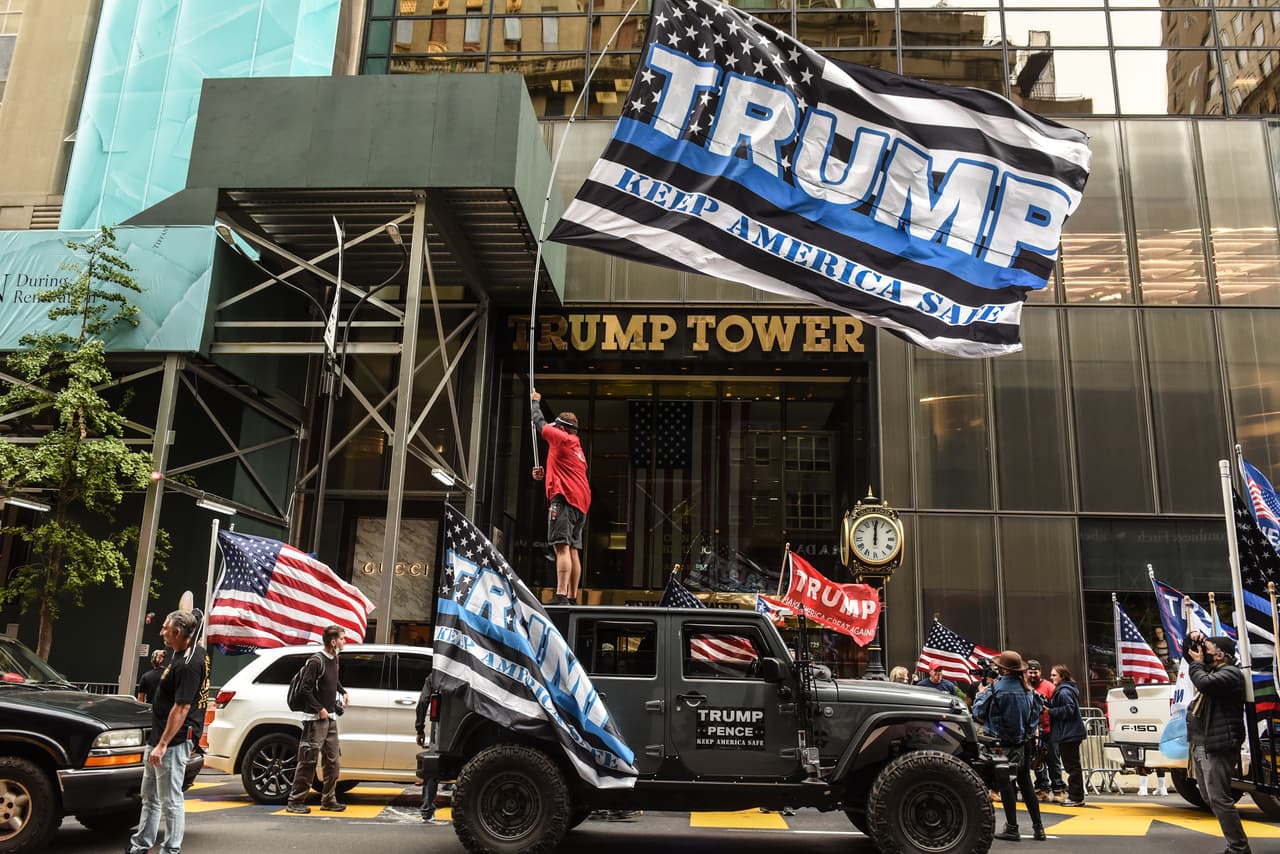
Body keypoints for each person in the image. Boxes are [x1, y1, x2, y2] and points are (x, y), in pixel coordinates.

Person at [126, 610, 208, 854]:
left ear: (179, 633)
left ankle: (171, 849)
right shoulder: (186, 651)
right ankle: (141, 844)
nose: (161, 632)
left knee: (170, 800)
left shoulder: (188, 665)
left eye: (165, 629)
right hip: (160, 737)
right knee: (149, 797)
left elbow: (181, 708)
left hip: (173, 741)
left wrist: (162, 745)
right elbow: (195, 618)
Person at [1186, 632, 1251, 854]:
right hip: (1202, 743)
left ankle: (1238, 848)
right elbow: (1192, 658)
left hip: (1218, 744)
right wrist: (1191, 638)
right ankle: (1236, 845)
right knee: (1209, 797)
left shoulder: (1230, 674)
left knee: (1219, 798)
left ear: (1221, 655)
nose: (1204, 654)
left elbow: (1204, 683)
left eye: (1209, 650)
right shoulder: (1213, 669)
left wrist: (1196, 665)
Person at [973, 650, 1045, 843]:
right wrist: (1026, 736)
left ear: (1002, 669)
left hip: (1001, 745)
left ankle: (1012, 827)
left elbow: (978, 713)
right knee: (1026, 784)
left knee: (1006, 786)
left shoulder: (995, 689)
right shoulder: (1029, 690)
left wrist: (981, 693)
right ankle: (1038, 827)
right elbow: (1035, 718)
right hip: (1024, 744)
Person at [531, 389, 590, 605]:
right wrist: (543, 475)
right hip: (580, 502)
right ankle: (572, 596)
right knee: (573, 549)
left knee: (561, 547)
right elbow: (564, 470)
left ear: (562, 428)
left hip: (564, 499)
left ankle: (561, 595)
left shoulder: (562, 438)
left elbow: (539, 424)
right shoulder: (577, 448)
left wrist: (536, 403)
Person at [286, 624, 349, 814]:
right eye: (342, 639)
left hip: (330, 718)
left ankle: (329, 800)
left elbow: (331, 679)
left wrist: (342, 690)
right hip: (315, 719)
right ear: (333, 641)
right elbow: (305, 688)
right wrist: (319, 708)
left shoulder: (334, 658)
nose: (344, 642)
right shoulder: (316, 661)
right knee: (308, 760)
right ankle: (295, 801)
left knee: (333, 761)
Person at [1047, 664, 1088, 807]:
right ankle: (1076, 795)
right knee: (1073, 766)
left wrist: (1049, 711)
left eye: (1054, 675)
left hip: (1069, 734)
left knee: (1072, 766)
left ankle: (1076, 797)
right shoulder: (1066, 689)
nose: (1051, 677)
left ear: (1062, 676)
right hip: (1069, 733)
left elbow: (1069, 709)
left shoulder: (1064, 691)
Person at [1027, 659, 1065, 804]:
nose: (1032, 675)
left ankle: (1058, 789)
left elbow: (1056, 707)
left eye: (1035, 672)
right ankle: (1042, 788)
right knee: (1037, 761)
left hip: (1049, 729)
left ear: (1040, 672)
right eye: (1030, 672)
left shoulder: (1049, 687)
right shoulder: (1025, 686)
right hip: (1032, 730)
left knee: (1053, 760)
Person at [415, 671, 447, 825]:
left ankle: (427, 810)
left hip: (440, 728)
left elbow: (422, 702)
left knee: (432, 767)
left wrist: (420, 728)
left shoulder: (435, 676)